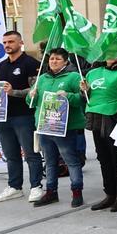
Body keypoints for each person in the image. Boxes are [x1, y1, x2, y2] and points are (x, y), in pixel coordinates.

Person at [0, 31, 43, 203]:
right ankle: (15, 187)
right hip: (3, 116)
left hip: (24, 115)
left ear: (21, 42)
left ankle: (36, 186)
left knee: (31, 154)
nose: (7, 45)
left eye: (11, 41)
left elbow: (35, 91)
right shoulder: (0, 66)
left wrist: (13, 92)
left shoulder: (31, 63)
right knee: (11, 154)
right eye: (4, 42)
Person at [32, 48, 87, 208]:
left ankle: (77, 192)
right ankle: (51, 192)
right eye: (51, 59)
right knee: (49, 161)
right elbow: (33, 103)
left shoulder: (74, 77)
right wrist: (32, 95)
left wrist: (68, 96)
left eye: (57, 59)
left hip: (65, 127)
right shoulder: (42, 78)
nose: (53, 61)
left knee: (71, 160)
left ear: (65, 61)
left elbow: (83, 100)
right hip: (45, 126)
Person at [82, 48, 117, 212]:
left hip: (114, 116)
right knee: (103, 158)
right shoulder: (93, 72)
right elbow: (88, 95)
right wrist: (85, 90)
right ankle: (109, 194)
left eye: (114, 51)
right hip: (96, 117)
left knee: (116, 158)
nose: (111, 55)